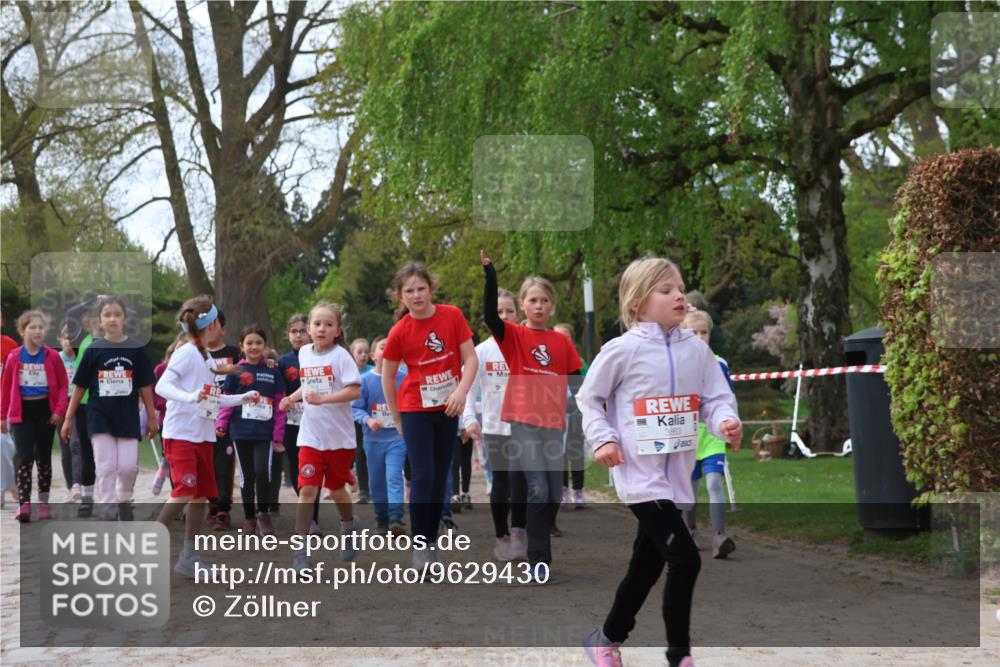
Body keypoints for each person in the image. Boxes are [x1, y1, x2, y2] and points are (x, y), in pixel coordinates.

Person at [577, 256, 742, 667]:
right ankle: (679, 656)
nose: (679, 295)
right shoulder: (621, 350)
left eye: (681, 288)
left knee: (645, 568)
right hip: (639, 477)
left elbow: (715, 397)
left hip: (677, 481)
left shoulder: (696, 351)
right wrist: (603, 440)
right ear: (637, 304)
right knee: (686, 559)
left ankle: (606, 638)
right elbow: (589, 399)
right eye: (666, 290)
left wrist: (725, 420)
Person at [480, 250, 582, 579]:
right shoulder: (515, 336)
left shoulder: (561, 343)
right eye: (532, 300)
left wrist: (595, 413)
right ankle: (539, 559)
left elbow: (578, 383)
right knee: (537, 488)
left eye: (544, 301)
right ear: (523, 304)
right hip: (522, 424)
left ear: (551, 306)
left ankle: (536, 544)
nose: (538, 306)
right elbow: (491, 318)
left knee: (553, 493)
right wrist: (490, 275)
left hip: (553, 426)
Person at [154, 295, 260, 577]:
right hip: (182, 436)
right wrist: (189, 396)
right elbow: (163, 386)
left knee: (199, 497)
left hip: (203, 437)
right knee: (184, 493)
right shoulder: (187, 352)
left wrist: (243, 398)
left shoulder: (205, 357)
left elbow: (213, 399)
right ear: (212, 323)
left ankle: (188, 557)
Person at [381, 262, 477, 567]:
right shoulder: (400, 331)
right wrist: (397, 418)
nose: (416, 295)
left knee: (439, 477)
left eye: (421, 288)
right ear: (400, 296)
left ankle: (431, 542)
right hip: (415, 410)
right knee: (422, 475)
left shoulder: (452, 315)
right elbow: (387, 375)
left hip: (448, 407)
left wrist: (461, 391)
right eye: (409, 291)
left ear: (431, 289)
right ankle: (419, 547)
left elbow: (471, 359)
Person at [278, 302, 362, 571]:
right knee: (308, 491)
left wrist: (323, 399)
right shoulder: (304, 353)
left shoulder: (341, 357)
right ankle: (300, 554)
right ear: (308, 328)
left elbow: (354, 391)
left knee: (336, 490)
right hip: (311, 436)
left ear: (338, 330)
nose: (321, 329)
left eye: (328, 324)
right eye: (317, 324)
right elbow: (308, 384)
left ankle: (348, 526)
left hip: (339, 438)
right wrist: (292, 397)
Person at [62, 296, 157, 521]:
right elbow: (80, 386)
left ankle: (124, 502)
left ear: (124, 319)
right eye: (107, 315)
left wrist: (152, 417)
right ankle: (108, 511)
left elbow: (145, 386)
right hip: (99, 416)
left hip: (127, 417)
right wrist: (68, 418)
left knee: (127, 467)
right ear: (99, 321)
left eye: (117, 314)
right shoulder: (94, 349)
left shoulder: (136, 349)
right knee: (105, 467)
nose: (112, 319)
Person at [463, 286, 529, 561]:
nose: (504, 316)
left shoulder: (528, 345)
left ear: (518, 312)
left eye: (509, 311)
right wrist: (469, 418)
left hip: (526, 425)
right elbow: (467, 387)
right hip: (494, 426)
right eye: (498, 312)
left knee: (521, 480)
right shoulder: (481, 352)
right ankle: (501, 535)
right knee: (501, 481)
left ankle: (519, 533)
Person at [216, 324, 287, 536]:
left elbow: (280, 404)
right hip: (241, 432)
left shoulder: (272, 371)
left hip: (264, 434)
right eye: (250, 343)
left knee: (262, 472)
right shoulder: (235, 371)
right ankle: (248, 518)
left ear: (265, 346)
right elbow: (226, 399)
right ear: (242, 346)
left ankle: (263, 514)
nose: (254, 347)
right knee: (246, 477)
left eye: (258, 343)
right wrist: (221, 423)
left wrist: (278, 434)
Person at [1, 311, 68, 521]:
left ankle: (44, 502)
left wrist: (59, 410)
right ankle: (24, 504)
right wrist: (3, 416)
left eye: (41, 327)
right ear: (23, 331)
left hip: (45, 411)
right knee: (25, 458)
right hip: (22, 412)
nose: (37, 331)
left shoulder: (53, 356)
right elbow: (5, 388)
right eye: (33, 327)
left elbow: (64, 384)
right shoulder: (14, 357)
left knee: (44, 458)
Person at [682, 309, 737, 559]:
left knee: (715, 482)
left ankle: (719, 535)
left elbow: (728, 399)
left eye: (704, 332)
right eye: (693, 332)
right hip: (687, 435)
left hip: (713, 433)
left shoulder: (720, 364)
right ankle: (690, 530)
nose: (700, 337)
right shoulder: (676, 363)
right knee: (690, 491)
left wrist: (734, 426)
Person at [352, 335, 407, 536]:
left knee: (394, 476)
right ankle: (381, 518)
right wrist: (368, 420)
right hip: (373, 440)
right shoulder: (365, 381)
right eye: (384, 347)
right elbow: (356, 409)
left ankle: (395, 518)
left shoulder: (403, 378)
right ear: (374, 355)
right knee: (376, 481)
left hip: (397, 438)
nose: (388, 349)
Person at [277, 314, 322, 532]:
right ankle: (308, 513)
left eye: (302, 331)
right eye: (294, 332)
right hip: (292, 423)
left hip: (317, 421)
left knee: (315, 467)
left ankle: (314, 516)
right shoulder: (283, 362)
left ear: (310, 332)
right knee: (296, 467)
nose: (298, 335)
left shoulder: (319, 357)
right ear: (288, 335)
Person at [206, 310, 241, 530]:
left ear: (223, 329)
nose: (209, 328)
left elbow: (248, 371)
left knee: (224, 463)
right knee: (206, 462)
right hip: (202, 415)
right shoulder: (196, 354)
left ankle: (223, 509)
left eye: (214, 324)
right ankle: (210, 503)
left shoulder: (234, 353)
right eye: (205, 324)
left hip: (226, 416)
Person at [554, 322, 588, 510]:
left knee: (576, 453)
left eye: (565, 337)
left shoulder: (580, 362)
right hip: (555, 416)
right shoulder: (549, 360)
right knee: (559, 454)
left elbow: (588, 387)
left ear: (571, 341)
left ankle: (579, 490)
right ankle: (563, 490)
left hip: (575, 415)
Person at [57, 324, 82, 502]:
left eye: (71, 337)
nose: (68, 341)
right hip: (62, 404)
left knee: (78, 444)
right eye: (65, 337)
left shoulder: (81, 357)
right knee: (65, 446)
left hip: (80, 404)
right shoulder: (56, 359)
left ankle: (78, 484)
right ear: (60, 339)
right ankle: (69, 486)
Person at [349, 338, 372, 504]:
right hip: (352, 419)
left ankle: (374, 487)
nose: (363, 355)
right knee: (359, 453)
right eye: (359, 352)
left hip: (371, 419)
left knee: (372, 453)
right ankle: (363, 490)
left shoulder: (373, 371)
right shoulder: (349, 372)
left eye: (366, 352)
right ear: (353, 354)